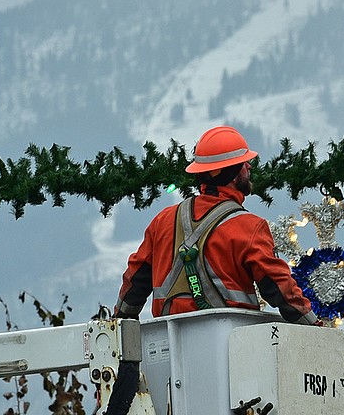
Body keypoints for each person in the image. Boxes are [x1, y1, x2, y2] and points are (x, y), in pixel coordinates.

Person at [114, 125, 320, 325]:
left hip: (167, 345)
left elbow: (135, 282)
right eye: (243, 163)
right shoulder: (249, 227)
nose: (249, 167)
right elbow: (281, 291)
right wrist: (313, 325)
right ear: (230, 173)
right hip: (230, 346)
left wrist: (120, 325)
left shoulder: (163, 221)